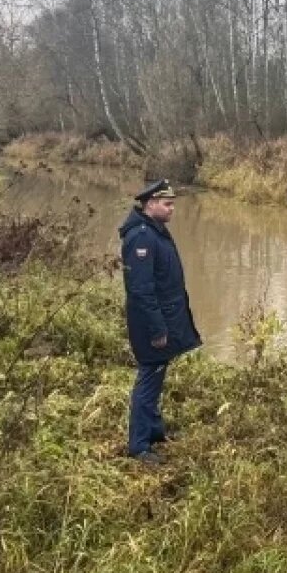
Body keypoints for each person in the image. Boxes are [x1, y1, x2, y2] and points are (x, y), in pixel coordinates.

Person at [118, 178, 202, 464]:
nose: (171, 209)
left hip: (162, 321)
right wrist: (157, 329)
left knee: (156, 372)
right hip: (152, 326)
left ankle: (153, 432)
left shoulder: (155, 231)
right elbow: (141, 290)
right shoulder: (142, 237)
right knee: (149, 379)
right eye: (167, 204)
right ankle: (139, 447)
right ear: (150, 203)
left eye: (172, 204)